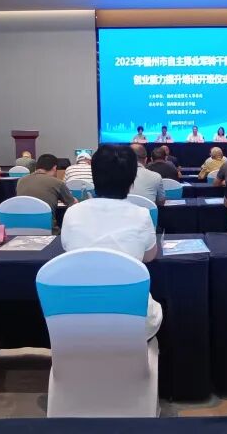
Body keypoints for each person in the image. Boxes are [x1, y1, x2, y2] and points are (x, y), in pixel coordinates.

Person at [60, 144, 163, 339]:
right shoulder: (141, 215)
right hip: (133, 318)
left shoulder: (72, 213)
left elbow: (68, 251)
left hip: (77, 316)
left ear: (94, 176)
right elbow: (149, 257)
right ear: (132, 179)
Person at [16, 153, 76, 232]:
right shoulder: (57, 183)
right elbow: (73, 204)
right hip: (48, 231)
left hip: (20, 230)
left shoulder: (21, 181)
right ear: (54, 168)